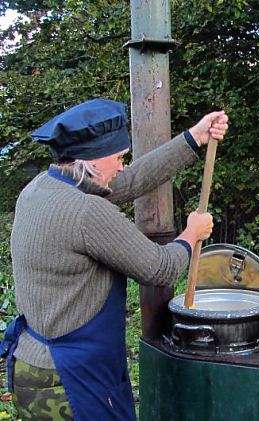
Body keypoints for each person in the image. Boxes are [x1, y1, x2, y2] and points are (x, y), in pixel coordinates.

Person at [0, 99, 229, 420]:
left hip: (31, 367)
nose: (122, 165)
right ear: (91, 159)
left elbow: (132, 180)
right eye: (119, 157)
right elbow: (160, 269)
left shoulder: (41, 187)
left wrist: (194, 137)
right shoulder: (87, 212)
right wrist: (192, 233)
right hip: (69, 381)